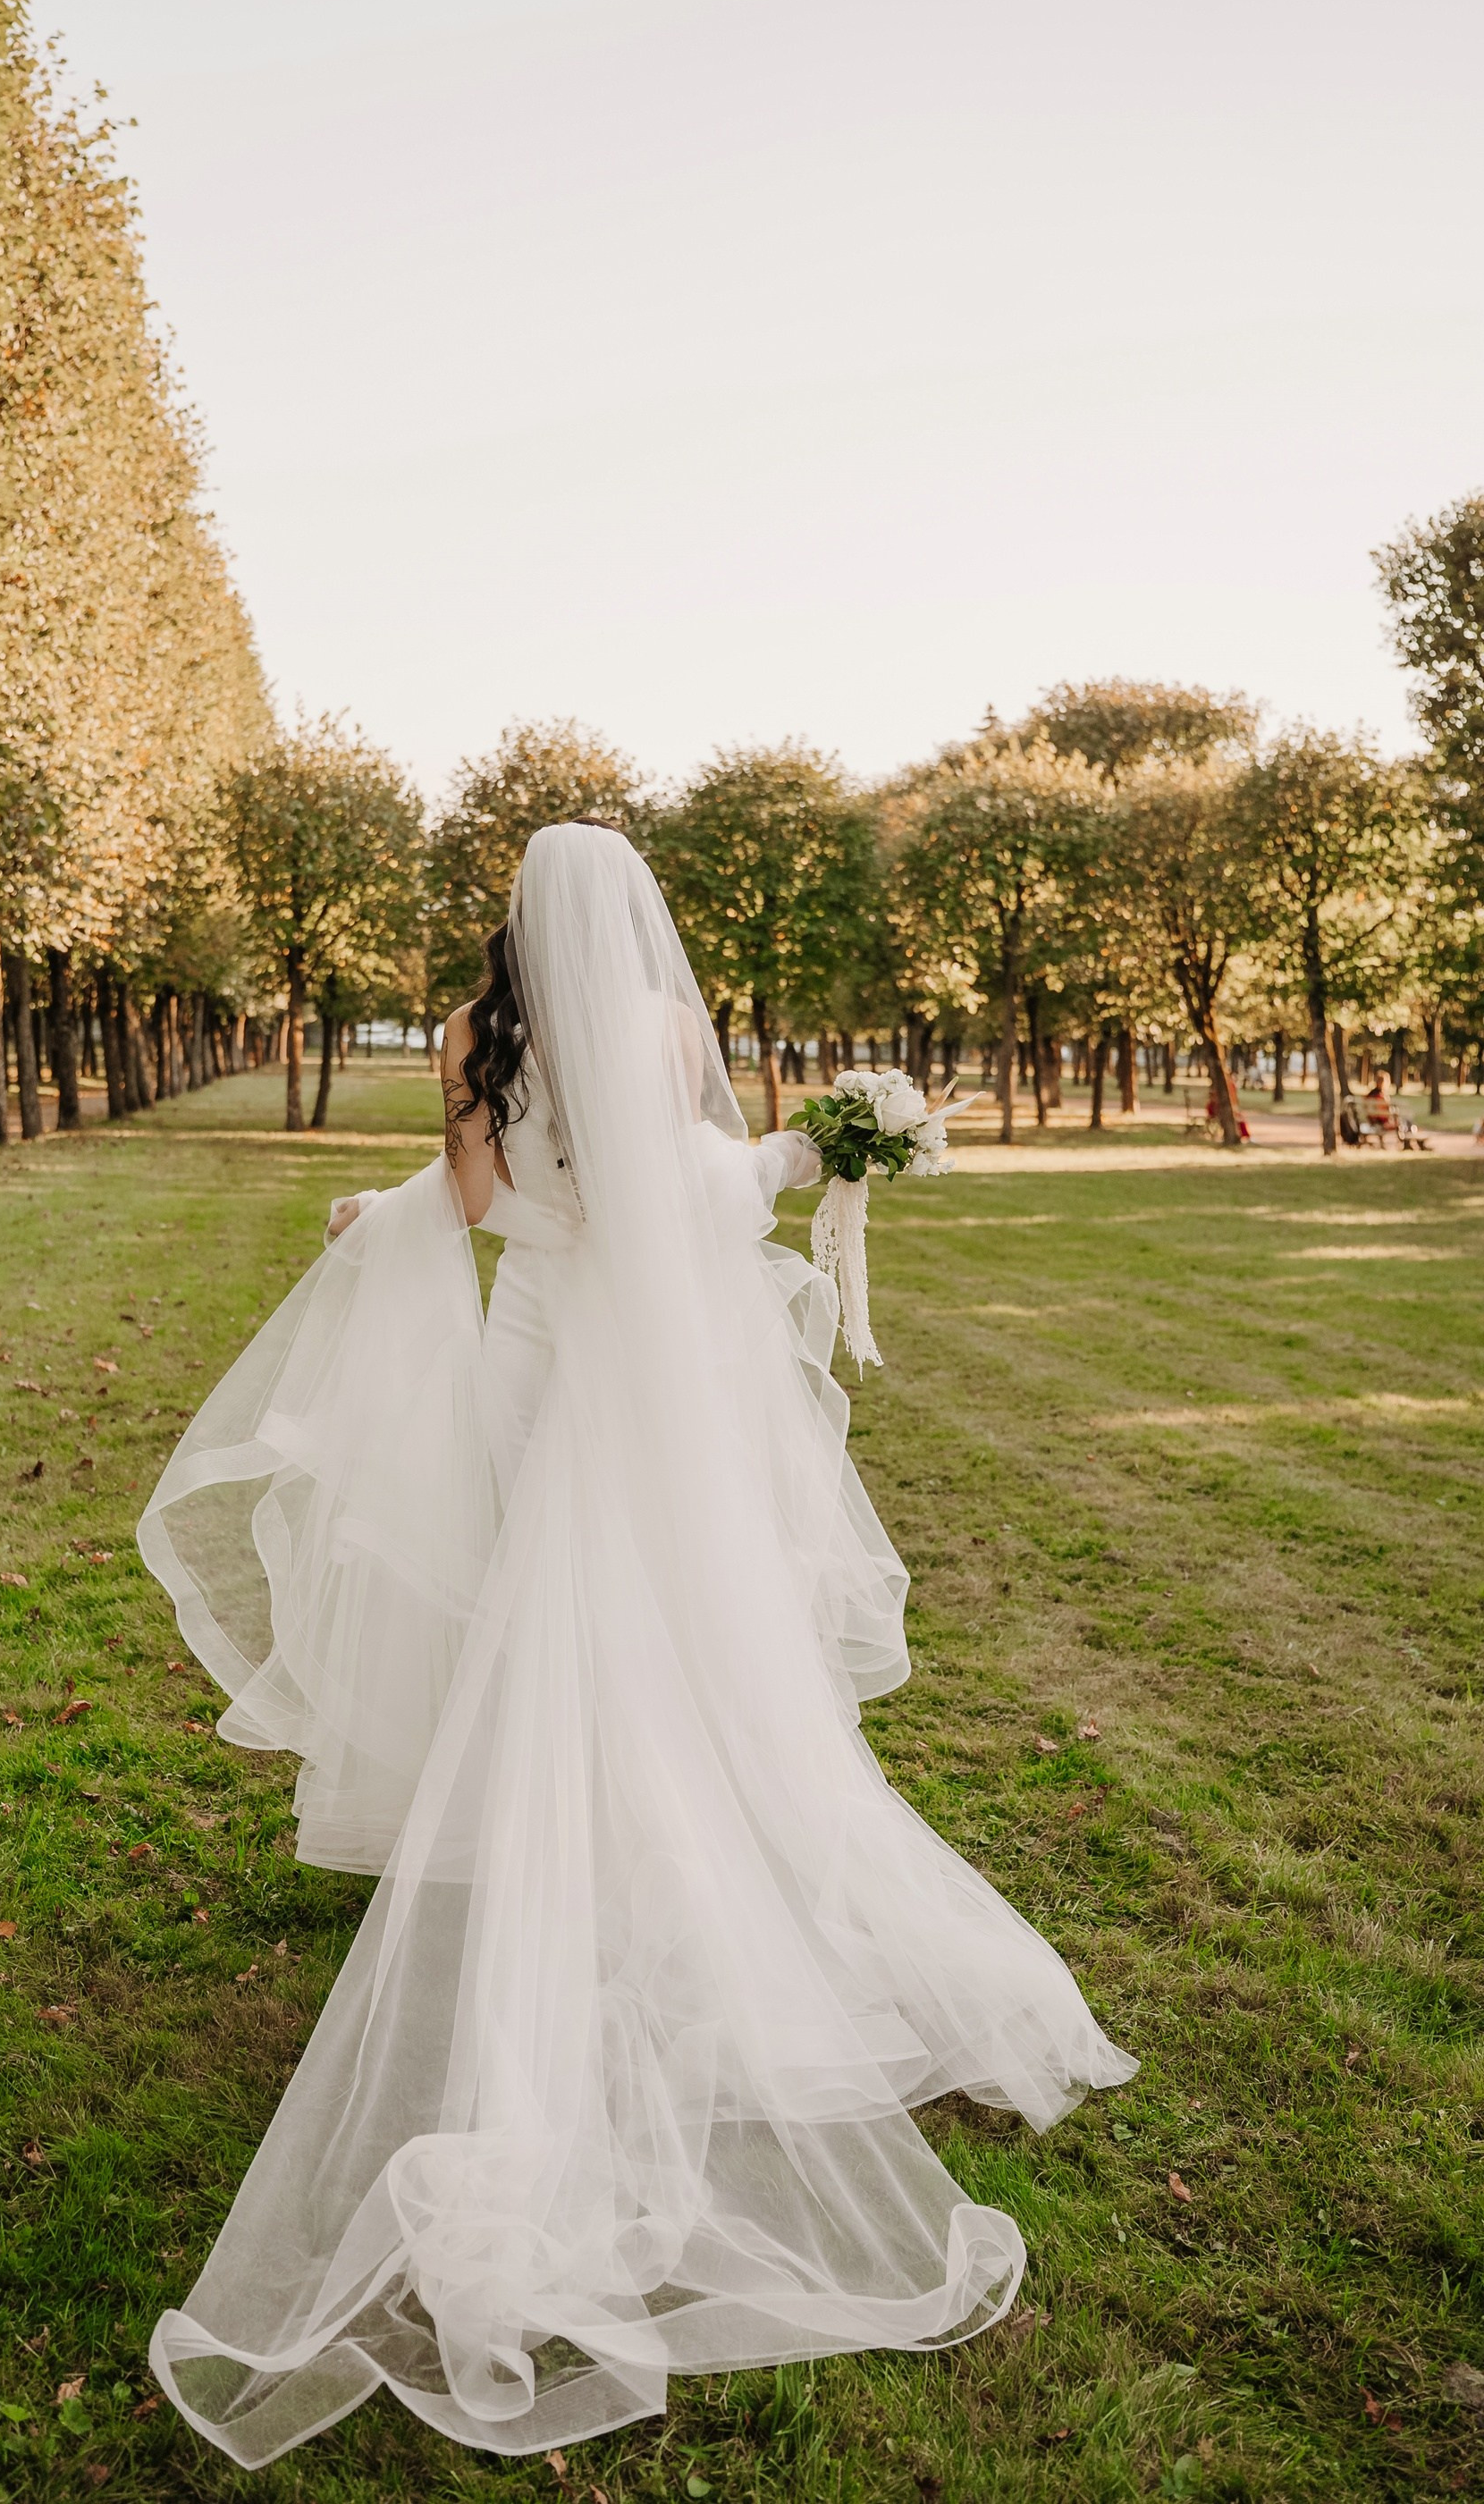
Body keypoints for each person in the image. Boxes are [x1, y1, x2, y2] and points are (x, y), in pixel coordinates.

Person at [139, 822, 1134, 2466]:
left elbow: (464, 1208)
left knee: (542, 1628)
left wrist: (365, 1214)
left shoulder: (473, 1042)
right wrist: (820, 1152)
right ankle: (663, 1875)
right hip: (640, 1372)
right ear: (637, 926)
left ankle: (582, 1877)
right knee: (660, 1635)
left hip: (536, 1358)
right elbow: (690, 1200)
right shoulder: (674, 1035)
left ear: (518, 920)